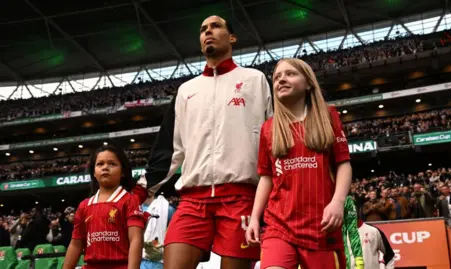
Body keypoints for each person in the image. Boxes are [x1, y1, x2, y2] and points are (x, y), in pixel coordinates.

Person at [147, 15, 272, 269]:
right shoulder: (186, 90)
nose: (208, 32)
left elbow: (276, 139)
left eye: (216, 26)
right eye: (203, 29)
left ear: (232, 37)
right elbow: (171, 149)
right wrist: (143, 189)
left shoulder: (256, 80)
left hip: (241, 198)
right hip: (192, 201)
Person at [245, 58, 352, 269]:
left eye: (290, 74)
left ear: (309, 83)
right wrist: (255, 218)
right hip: (279, 225)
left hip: (321, 227)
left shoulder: (328, 117)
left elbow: (343, 164)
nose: (281, 80)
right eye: (276, 77)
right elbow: (266, 178)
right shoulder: (268, 128)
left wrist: (338, 202)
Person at [62, 145, 147, 269]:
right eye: (100, 164)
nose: (105, 167)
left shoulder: (130, 200)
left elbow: (136, 239)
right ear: (94, 173)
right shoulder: (84, 205)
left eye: (112, 164)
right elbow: (75, 244)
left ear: (123, 172)